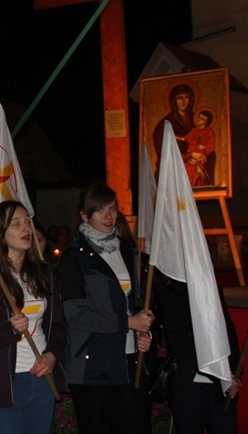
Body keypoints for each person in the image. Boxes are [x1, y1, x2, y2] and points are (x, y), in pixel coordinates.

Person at [59, 183, 155, 433]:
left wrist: (144, 329)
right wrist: (128, 323)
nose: (108, 216)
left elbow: (136, 302)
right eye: (100, 210)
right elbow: (76, 315)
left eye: (112, 208)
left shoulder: (126, 249)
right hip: (94, 365)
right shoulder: (74, 257)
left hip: (129, 360)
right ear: (84, 215)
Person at [0, 200, 67, 434]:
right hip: (4, 385)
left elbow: (59, 326)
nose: (26, 228)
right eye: (16, 223)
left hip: (42, 380)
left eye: (27, 222)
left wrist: (52, 356)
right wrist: (9, 331)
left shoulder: (45, 272)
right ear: (1, 233)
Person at [153, 274, 242, 433]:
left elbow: (228, 334)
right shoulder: (168, 293)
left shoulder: (213, 289)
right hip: (189, 385)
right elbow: (182, 342)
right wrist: (221, 372)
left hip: (220, 386)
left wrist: (234, 374)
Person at [152, 83, 196, 171]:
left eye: (186, 97)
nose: (183, 102)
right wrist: (187, 156)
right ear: (174, 101)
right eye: (180, 98)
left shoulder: (196, 119)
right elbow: (163, 150)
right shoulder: (166, 123)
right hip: (176, 164)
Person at [176, 109, 216, 186]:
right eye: (199, 117)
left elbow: (212, 144)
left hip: (200, 154)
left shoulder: (209, 132)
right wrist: (175, 137)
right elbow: (185, 138)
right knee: (187, 168)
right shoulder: (194, 130)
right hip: (191, 153)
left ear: (206, 122)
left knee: (192, 169)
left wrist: (204, 147)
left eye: (202, 119)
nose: (199, 120)